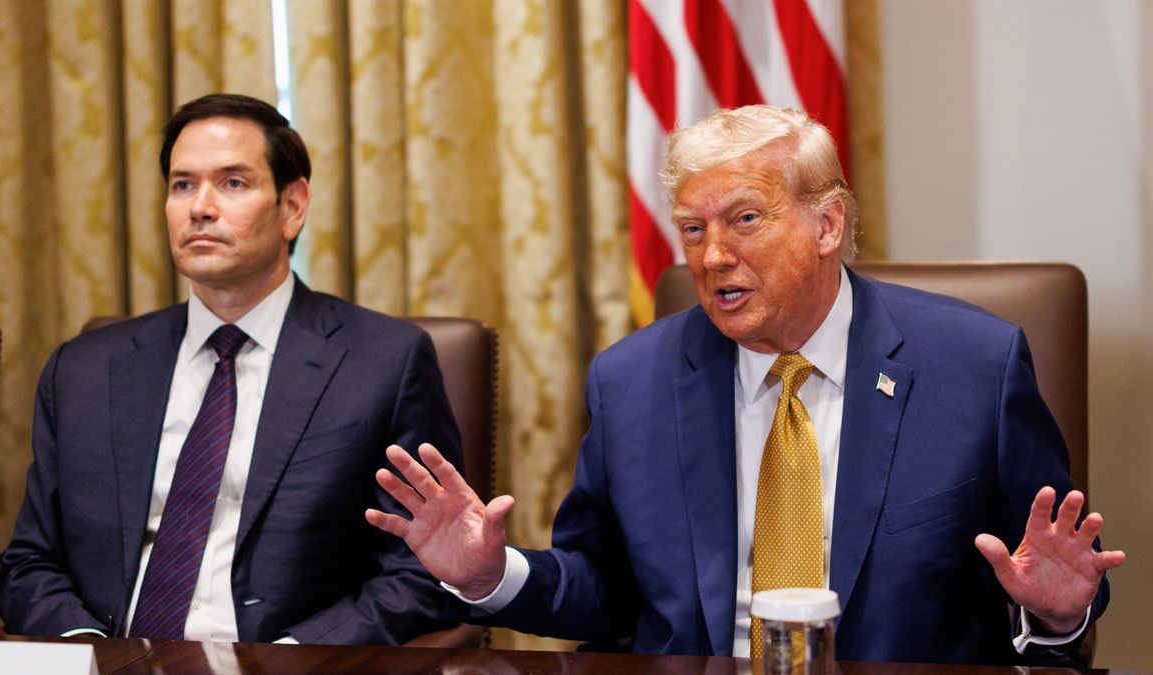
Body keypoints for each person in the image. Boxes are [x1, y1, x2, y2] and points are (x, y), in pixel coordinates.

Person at [366, 105, 1125, 665]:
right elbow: (603, 587)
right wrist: (492, 573)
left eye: (745, 219)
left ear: (827, 225)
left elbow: (1046, 574)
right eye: (693, 230)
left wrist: (1059, 613)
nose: (713, 255)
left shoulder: (975, 366)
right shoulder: (632, 381)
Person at [0, 93, 462, 645]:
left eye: (233, 183)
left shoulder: (384, 362)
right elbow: (30, 563)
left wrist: (291, 660)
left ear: (293, 207)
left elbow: (421, 573)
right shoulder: (85, 370)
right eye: (182, 184)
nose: (200, 207)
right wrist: (88, 655)